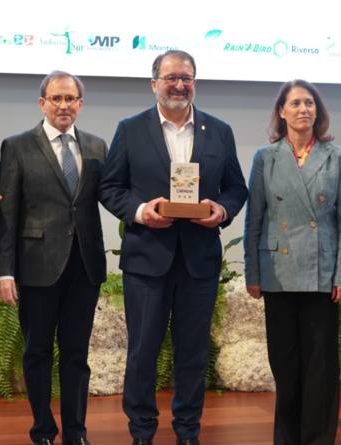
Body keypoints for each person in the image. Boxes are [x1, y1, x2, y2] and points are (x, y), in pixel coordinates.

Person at [99, 49, 247, 445]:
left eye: (186, 77)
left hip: (198, 262)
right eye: (171, 78)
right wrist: (142, 211)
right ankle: (142, 431)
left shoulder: (219, 131)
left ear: (194, 82)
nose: (179, 84)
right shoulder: (130, 129)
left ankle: (187, 431)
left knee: (193, 354)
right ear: (154, 84)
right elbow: (109, 187)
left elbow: (236, 188)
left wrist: (222, 209)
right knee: (143, 353)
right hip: (147, 260)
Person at [0, 71, 107, 445]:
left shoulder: (96, 146)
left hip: (84, 267)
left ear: (80, 104)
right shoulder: (17, 146)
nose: (63, 105)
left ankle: (76, 432)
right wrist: (3, 271)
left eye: (70, 98)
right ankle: (42, 429)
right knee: (37, 351)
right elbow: (7, 214)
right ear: (41, 103)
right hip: (36, 267)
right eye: (55, 99)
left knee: (77, 354)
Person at [243, 79, 341, 445]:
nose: (303, 109)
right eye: (295, 103)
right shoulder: (265, 156)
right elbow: (254, 219)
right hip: (277, 273)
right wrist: (252, 272)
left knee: (321, 368)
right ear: (281, 111)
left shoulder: (337, 156)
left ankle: (318, 439)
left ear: (317, 111)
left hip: (322, 274)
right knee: (286, 365)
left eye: (309, 103)